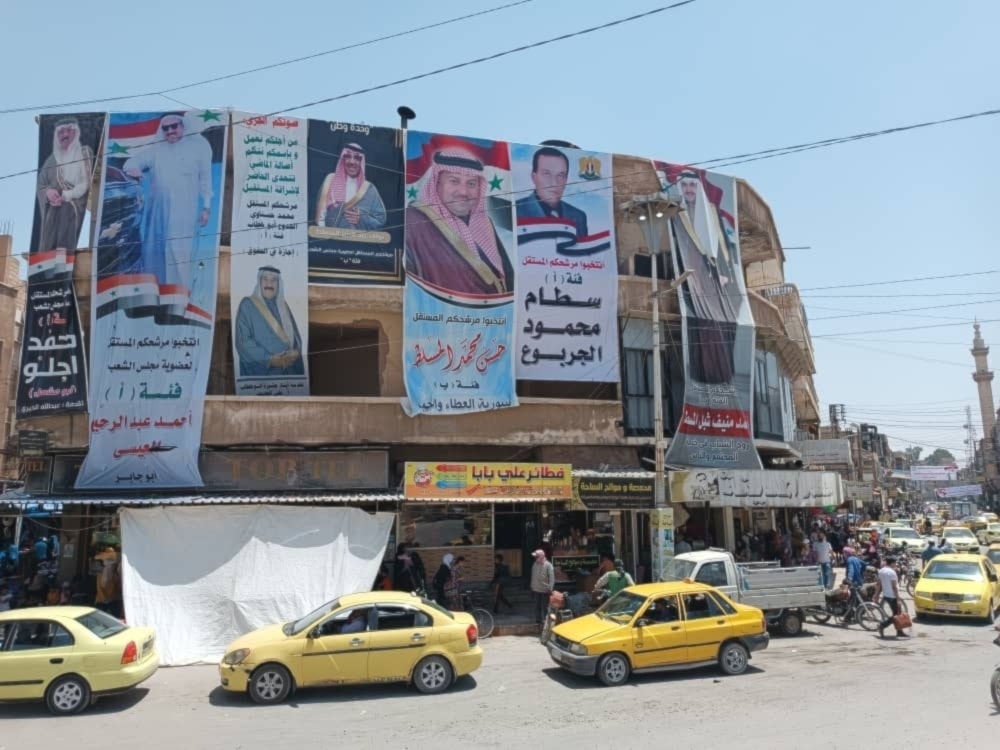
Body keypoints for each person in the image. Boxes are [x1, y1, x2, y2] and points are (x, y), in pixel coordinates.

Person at [404, 147, 514, 297]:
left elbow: (508, 281)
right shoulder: (412, 222)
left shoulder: (485, 224)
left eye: (471, 184)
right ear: (437, 184)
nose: (463, 192)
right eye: (454, 181)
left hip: (493, 318)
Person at [123, 112, 213, 292]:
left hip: (183, 210)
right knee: (154, 249)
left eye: (174, 126)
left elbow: (205, 180)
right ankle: (151, 293)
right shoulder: (157, 150)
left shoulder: (197, 147)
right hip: (157, 210)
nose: (170, 131)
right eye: (166, 128)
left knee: (177, 251)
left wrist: (206, 207)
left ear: (183, 126)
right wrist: (133, 169)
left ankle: (178, 295)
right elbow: (132, 162)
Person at [671, 170, 738, 384]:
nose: (689, 190)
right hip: (686, 273)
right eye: (685, 186)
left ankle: (720, 373)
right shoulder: (673, 210)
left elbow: (722, 246)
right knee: (696, 322)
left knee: (716, 321)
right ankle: (702, 372)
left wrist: (724, 274)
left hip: (710, 274)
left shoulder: (709, 212)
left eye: (692, 185)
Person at [36, 117, 94, 257]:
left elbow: (84, 184)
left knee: (66, 208)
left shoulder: (84, 153)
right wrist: (49, 193)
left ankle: (62, 257)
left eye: (69, 131)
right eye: (61, 132)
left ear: (76, 132)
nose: (65, 135)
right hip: (53, 210)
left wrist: (66, 195)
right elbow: (41, 185)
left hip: (73, 205)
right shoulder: (51, 160)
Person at [235, 266, 304, 377]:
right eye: (265, 279)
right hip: (264, 375)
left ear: (278, 284)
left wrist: (296, 352)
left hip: (288, 374)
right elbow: (243, 342)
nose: (269, 284)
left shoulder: (284, 306)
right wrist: (270, 360)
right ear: (259, 282)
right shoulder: (247, 305)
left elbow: (296, 338)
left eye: (273, 280)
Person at [514, 146, 589, 236]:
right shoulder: (515, 212)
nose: (554, 183)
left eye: (560, 175)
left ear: (566, 180)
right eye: (546, 174)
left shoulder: (578, 216)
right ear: (534, 177)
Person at [314, 142, 387, 230]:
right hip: (331, 240)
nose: (352, 162)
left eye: (357, 158)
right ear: (343, 159)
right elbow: (320, 219)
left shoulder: (369, 189)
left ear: (361, 162)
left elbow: (380, 220)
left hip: (360, 241)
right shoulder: (331, 180)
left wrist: (361, 218)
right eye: (347, 156)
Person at [876, 557, 909, 638]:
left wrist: (876, 594)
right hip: (893, 596)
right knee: (897, 615)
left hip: (886, 594)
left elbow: (879, 584)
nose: (896, 564)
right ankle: (882, 625)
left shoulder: (881, 571)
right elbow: (894, 587)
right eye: (895, 563)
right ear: (892, 563)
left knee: (897, 613)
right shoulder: (892, 572)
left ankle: (899, 631)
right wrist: (898, 599)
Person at [530, 549, 555, 625]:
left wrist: (550, 587)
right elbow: (533, 575)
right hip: (536, 589)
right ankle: (538, 620)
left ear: (541, 556)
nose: (535, 558)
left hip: (545, 590)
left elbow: (552, 577)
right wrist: (532, 586)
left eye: (536, 556)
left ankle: (546, 620)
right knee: (537, 605)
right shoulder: (535, 564)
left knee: (545, 606)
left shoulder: (548, 565)